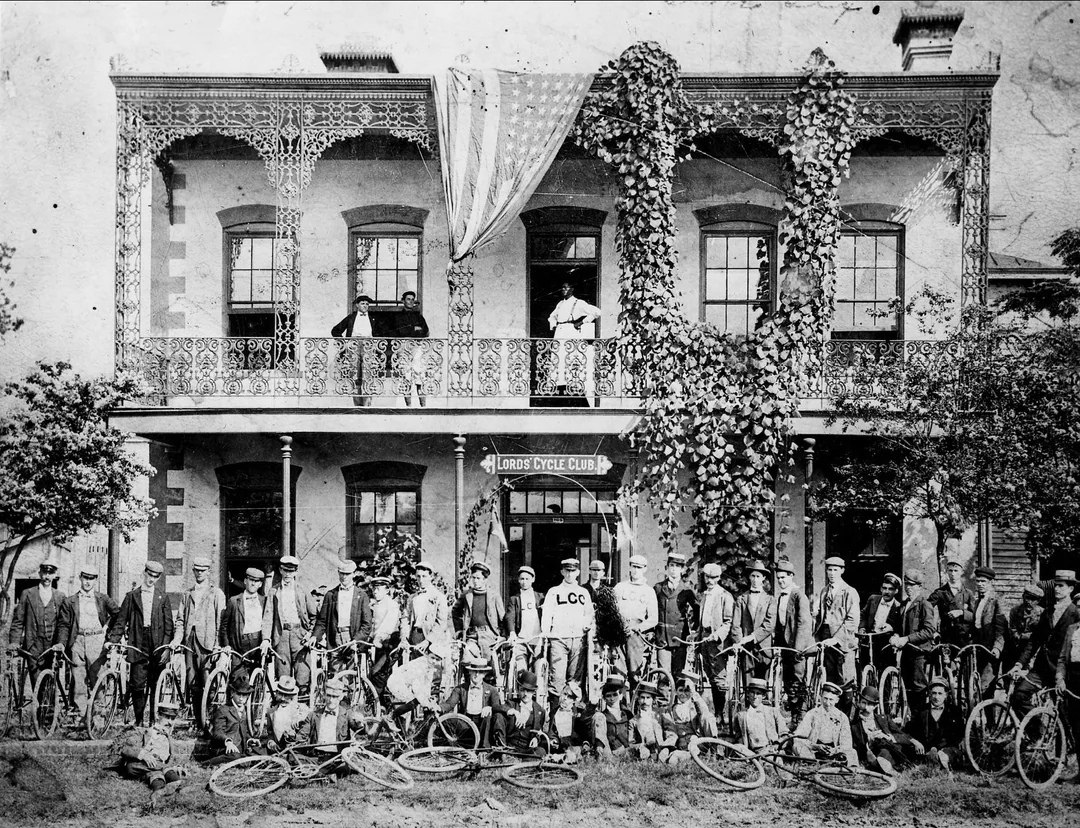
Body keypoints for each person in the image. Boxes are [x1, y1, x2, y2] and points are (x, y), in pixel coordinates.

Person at [108, 560, 174, 725]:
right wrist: (112, 641)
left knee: (155, 684)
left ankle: (153, 720)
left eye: (155, 577)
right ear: (144, 573)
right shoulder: (132, 596)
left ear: (158, 578)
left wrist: (166, 648)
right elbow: (120, 621)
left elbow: (168, 627)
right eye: (149, 575)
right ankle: (139, 720)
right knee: (137, 684)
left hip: (157, 644)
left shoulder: (163, 597)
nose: (151, 579)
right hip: (138, 642)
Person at [1009, 570, 1080, 720]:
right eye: (1055, 585)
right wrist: (1019, 664)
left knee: (1064, 716)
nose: (1056, 589)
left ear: (1071, 589)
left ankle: (1063, 742)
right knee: (1018, 696)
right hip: (1041, 669)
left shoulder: (1076, 614)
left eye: (1061, 586)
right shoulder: (1048, 611)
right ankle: (1036, 733)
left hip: (1062, 672)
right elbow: (1034, 641)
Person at [56, 564, 118, 715]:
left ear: (95, 580)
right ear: (80, 578)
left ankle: (98, 718)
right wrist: (62, 643)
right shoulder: (70, 601)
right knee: (78, 681)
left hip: (96, 641)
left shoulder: (102, 599)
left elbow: (118, 614)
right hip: (77, 641)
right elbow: (64, 624)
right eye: (85, 578)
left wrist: (108, 631)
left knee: (98, 678)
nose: (88, 582)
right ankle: (80, 718)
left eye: (91, 578)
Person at [176, 556, 224, 728]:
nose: (199, 573)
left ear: (208, 572)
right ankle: (199, 722)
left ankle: (211, 722)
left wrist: (218, 644)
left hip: (208, 644)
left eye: (203, 570)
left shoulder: (216, 594)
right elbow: (180, 620)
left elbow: (220, 621)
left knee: (209, 683)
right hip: (190, 642)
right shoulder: (187, 594)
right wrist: (177, 640)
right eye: (196, 570)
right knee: (193, 683)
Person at [541, 558, 594, 704]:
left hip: (578, 639)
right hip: (559, 639)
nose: (570, 574)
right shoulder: (554, 591)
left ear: (578, 572)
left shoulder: (583, 593)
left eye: (573, 571)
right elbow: (547, 615)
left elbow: (589, 614)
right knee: (557, 679)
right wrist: (545, 633)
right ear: (562, 572)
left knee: (575, 680)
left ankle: (572, 717)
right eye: (567, 571)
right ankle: (554, 718)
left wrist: (586, 625)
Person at [262, 555, 317, 695]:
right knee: (283, 678)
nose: (288, 574)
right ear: (280, 570)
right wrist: (266, 639)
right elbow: (268, 617)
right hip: (281, 636)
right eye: (285, 570)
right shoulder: (273, 591)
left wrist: (310, 633)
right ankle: (285, 710)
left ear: (296, 572)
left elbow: (314, 615)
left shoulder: (302, 590)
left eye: (291, 571)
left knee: (303, 675)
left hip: (300, 635)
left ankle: (302, 710)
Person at [8, 557, 67, 687]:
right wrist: (14, 642)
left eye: (50, 573)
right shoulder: (27, 594)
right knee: (36, 682)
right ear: (39, 573)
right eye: (44, 573)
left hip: (52, 646)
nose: (47, 577)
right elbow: (18, 621)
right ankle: (38, 706)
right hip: (33, 646)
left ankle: (48, 707)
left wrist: (61, 643)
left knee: (51, 683)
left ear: (55, 575)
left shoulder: (60, 596)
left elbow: (63, 624)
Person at [889, 569, 938, 714]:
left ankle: (921, 724)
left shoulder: (924, 604)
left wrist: (907, 639)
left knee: (919, 689)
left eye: (912, 585)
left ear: (919, 586)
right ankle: (913, 721)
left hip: (919, 653)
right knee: (907, 688)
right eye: (906, 584)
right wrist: (896, 635)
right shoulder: (904, 604)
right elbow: (900, 627)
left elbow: (929, 631)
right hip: (906, 653)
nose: (908, 588)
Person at [312, 559, 373, 671]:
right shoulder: (330, 595)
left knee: (352, 674)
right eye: (342, 573)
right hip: (335, 638)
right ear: (338, 573)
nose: (344, 577)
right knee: (335, 674)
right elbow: (322, 621)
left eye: (348, 574)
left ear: (354, 574)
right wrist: (315, 636)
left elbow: (367, 624)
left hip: (353, 638)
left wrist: (356, 640)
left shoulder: (362, 596)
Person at [812, 556, 860, 699]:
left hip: (844, 640)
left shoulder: (849, 592)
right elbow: (822, 616)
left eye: (835, 570)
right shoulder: (824, 591)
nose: (832, 573)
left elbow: (852, 621)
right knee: (831, 678)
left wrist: (836, 639)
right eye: (829, 570)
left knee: (844, 678)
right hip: (826, 636)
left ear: (842, 571)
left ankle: (847, 715)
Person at [115, 699, 185, 796]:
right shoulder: (143, 732)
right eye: (167, 717)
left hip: (149, 771)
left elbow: (171, 758)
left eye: (172, 719)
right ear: (158, 716)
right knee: (131, 767)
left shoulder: (169, 739)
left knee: (155, 775)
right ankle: (174, 779)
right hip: (141, 764)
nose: (170, 722)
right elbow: (125, 748)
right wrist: (143, 755)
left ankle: (161, 789)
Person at [546, 280, 601, 401]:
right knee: (557, 359)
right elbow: (551, 316)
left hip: (569, 330)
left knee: (569, 358)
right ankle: (558, 387)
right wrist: (553, 324)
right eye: (562, 288)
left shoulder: (578, 303)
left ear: (572, 289)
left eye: (566, 288)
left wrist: (582, 322)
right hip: (559, 331)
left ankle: (572, 387)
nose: (563, 290)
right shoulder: (560, 303)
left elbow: (596, 312)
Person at [772, 558, 813, 718]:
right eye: (779, 578)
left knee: (797, 679)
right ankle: (792, 712)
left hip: (797, 645)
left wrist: (798, 647)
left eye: (784, 577)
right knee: (788, 679)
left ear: (791, 577)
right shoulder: (781, 596)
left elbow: (803, 622)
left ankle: (800, 715)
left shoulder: (798, 595)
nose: (781, 581)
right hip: (785, 644)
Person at [849, 686, 916, 776]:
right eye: (863, 703)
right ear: (859, 703)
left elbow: (902, 735)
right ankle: (886, 768)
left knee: (884, 750)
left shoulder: (884, 719)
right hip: (869, 753)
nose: (865, 707)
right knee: (881, 752)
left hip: (889, 750)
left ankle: (879, 765)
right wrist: (869, 741)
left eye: (869, 704)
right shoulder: (854, 725)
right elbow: (855, 748)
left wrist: (888, 737)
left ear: (875, 706)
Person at [698, 562, 734, 726]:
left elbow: (728, 622)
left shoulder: (725, 596)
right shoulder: (704, 595)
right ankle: (715, 712)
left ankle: (720, 713)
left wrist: (717, 636)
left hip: (717, 642)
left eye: (713, 578)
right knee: (710, 676)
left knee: (719, 678)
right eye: (707, 577)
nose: (710, 581)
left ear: (718, 578)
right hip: (705, 639)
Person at [613, 554, 659, 685]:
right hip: (619, 631)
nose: (636, 570)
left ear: (644, 569)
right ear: (630, 568)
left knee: (635, 672)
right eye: (634, 567)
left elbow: (653, 619)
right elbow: (611, 610)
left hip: (636, 634)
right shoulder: (620, 587)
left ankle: (635, 703)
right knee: (618, 672)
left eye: (639, 567)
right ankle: (621, 704)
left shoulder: (648, 591)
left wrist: (638, 628)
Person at [331, 294, 382, 407]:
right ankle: (357, 404)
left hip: (368, 347)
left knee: (368, 374)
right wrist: (344, 342)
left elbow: (381, 333)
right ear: (357, 305)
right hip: (353, 347)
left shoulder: (373, 318)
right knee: (354, 375)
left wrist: (375, 343)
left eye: (367, 304)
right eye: (363, 303)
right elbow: (335, 330)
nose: (365, 306)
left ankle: (367, 403)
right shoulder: (351, 317)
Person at [790, 681, 857, 767]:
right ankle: (812, 763)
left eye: (831, 700)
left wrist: (835, 750)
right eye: (825, 698)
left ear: (837, 700)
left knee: (852, 752)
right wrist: (815, 746)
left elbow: (847, 743)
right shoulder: (812, 714)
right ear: (820, 697)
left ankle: (842, 765)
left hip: (833, 752)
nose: (827, 703)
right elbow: (798, 737)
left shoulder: (842, 717)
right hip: (814, 751)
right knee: (797, 746)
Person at [731, 560, 777, 682]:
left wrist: (752, 637)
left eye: (758, 576)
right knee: (748, 686)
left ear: (763, 578)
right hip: (746, 648)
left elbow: (769, 624)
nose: (755, 580)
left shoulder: (770, 600)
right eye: (753, 576)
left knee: (762, 685)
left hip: (764, 648)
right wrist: (739, 641)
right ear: (749, 577)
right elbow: (735, 624)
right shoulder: (741, 599)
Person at [653, 553, 697, 676]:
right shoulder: (658, 588)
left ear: (682, 569)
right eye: (671, 565)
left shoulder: (687, 589)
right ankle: (664, 695)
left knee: (678, 673)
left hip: (679, 637)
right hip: (662, 637)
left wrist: (694, 630)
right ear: (667, 567)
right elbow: (651, 610)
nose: (673, 569)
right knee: (663, 674)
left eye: (677, 566)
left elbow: (697, 609)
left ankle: (677, 696)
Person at [905, 677, 963, 771]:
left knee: (948, 754)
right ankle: (932, 761)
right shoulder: (921, 710)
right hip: (925, 749)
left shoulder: (954, 711)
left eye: (940, 693)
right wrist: (916, 742)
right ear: (929, 694)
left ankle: (938, 761)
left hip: (947, 750)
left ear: (946, 695)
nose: (936, 697)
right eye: (934, 693)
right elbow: (909, 731)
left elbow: (959, 734)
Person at [452, 561, 505, 661]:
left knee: (489, 662)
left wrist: (502, 636)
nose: (475, 581)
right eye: (473, 578)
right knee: (467, 659)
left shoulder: (494, 596)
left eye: (478, 578)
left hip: (489, 635)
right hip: (471, 635)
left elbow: (502, 617)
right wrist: (459, 629)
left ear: (485, 580)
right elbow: (455, 611)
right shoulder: (467, 595)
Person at [440, 657, 501, 744]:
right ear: (469, 672)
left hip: (482, 724)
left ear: (484, 674)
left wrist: (490, 708)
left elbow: (497, 707)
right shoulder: (461, 689)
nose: (476, 675)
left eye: (480, 672)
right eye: (474, 671)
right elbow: (450, 704)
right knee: (445, 720)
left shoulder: (492, 690)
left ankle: (483, 749)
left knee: (488, 716)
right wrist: (439, 708)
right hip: (465, 723)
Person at [219, 568, 267, 676]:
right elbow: (224, 626)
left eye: (257, 581)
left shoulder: (264, 601)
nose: (253, 583)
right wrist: (226, 645)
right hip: (238, 645)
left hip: (257, 644)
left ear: (260, 584)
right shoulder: (234, 601)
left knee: (257, 678)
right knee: (238, 679)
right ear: (245, 581)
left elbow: (269, 623)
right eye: (251, 580)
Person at [660, 671, 716, 763]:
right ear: (676, 692)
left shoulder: (695, 705)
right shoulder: (672, 709)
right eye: (680, 690)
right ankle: (684, 756)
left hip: (696, 742)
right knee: (672, 759)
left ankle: (713, 749)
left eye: (686, 691)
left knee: (708, 717)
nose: (683, 694)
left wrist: (693, 692)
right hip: (680, 743)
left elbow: (704, 711)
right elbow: (670, 730)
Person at [400, 561, 451, 658]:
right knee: (414, 668)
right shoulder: (412, 598)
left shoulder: (439, 597)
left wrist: (428, 641)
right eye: (418, 576)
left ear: (431, 577)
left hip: (432, 640)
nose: (421, 580)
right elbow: (405, 618)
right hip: (415, 636)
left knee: (430, 669)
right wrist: (404, 638)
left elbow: (441, 623)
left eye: (424, 576)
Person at [389, 290, 430, 407]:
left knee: (419, 375)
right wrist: (415, 329)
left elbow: (426, 331)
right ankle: (409, 406)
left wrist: (411, 329)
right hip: (403, 347)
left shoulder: (419, 316)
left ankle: (423, 406)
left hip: (417, 347)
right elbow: (401, 331)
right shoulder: (398, 316)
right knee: (406, 376)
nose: (411, 301)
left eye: (412, 299)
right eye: (408, 299)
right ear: (403, 301)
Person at [970, 566, 1007, 695]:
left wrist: (997, 647)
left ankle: (989, 714)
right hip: (979, 649)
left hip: (991, 650)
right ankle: (981, 714)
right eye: (978, 581)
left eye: (983, 581)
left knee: (986, 686)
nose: (980, 584)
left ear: (991, 583)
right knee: (977, 686)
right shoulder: (977, 601)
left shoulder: (997, 601)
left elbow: (1001, 629)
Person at [929, 555, 977, 651]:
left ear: (961, 572)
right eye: (950, 570)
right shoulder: (940, 592)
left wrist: (962, 612)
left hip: (964, 637)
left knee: (965, 663)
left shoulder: (968, 593)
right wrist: (932, 631)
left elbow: (974, 616)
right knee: (946, 663)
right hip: (947, 636)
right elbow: (926, 609)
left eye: (956, 571)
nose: (953, 574)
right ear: (946, 572)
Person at [858, 573, 903, 676]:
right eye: (884, 588)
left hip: (886, 644)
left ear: (896, 591)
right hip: (869, 640)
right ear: (881, 588)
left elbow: (900, 628)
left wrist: (892, 629)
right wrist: (862, 627)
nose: (886, 592)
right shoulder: (873, 599)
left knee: (884, 672)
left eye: (890, 589)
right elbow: (863, 615)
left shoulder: (899, 607)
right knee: (864, 670)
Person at [492, 669, 547, 754]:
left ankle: (524, 760)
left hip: (527, 748)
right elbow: (496, 708)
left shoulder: (540, 711)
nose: (525, 694)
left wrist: (536, 738)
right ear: (518, 690)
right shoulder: (512, 703)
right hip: (509, 746)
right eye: (522, 690)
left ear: (534, 692)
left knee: (541, 752)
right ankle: (502, 751)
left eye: (528, 691)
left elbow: (539, 731)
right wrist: (514, 712)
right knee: (498, 716)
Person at [504, 565, 545, 676]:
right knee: (521, 670)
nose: (524, 582)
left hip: (537, 640)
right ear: (518, 580)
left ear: (533, 579)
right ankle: (521, 692)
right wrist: (512, 633)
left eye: (527, 579)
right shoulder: (515, 599)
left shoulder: (540, 597)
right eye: (522, 579)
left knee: (538, 672)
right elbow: (509, 616)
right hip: (521, 639)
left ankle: (538, 692)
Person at [209, 675, 259, 763]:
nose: (241, 698)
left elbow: (244, 731)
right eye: (238, 694)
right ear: (232, 693)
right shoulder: (223, 710)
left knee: (261, 752)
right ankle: (208, 763)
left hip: (240, 747)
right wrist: (227, 741)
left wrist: (250, 740)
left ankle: (244, 760)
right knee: (235, 756)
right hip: (225, 748)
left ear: (248, 696)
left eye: (244, 695)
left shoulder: (247, 711)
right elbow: (217, 732)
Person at [734, 677, 788, 756]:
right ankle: (754, 759)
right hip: (750, 751)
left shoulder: (772, 711)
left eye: (758, 693)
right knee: (737, 747)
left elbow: (784, 733)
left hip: (769, 749)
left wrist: (777, 745)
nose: (755, 696)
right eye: (752, 692)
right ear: (748, 694)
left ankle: (763, 760)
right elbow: (738, 736)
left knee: (770, 761)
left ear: (763, 696)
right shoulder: (741, 715)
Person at [1055, 610, 1080, 768]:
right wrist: (1060, 678)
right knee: (1076, 724)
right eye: (1079, 606)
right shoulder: (1072, 629)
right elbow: (1063, 657)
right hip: (1073, 678)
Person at [368, 576, 401, 697]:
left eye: (378, 589)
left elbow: (388, 625)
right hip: (377, 646)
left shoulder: (392, 605)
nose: (375, 592)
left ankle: (377, 702)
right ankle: (381, 704)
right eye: (374, 589)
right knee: (376, 674)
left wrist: (379, 637)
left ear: (387, 590)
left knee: (378, 673)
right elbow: (372, 625)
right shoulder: (374, 605)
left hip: (389, 645)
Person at [592, 677, 634, 759]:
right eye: (608, 696)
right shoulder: (602, 716)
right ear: (604, 698)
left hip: (626, 749)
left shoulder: (627, 714)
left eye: (615, 695)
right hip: (610, 751)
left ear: (621, 696)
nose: (612, 699)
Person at [1004, 584, 1044, 669]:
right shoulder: (1015, 611)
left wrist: (1025, 636)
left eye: (1033, 599)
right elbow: (1013, 629)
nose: (1029, 602)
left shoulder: (1042, 614)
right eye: (1027, 598)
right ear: (1023, 597)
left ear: (1038, 601)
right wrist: (1020, 636)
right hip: (1015, 648)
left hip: (1032, 651)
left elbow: (1040, 636)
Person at [268, 676, 310, 750]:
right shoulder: (271, 711)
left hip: (297, 751)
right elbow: (270, 733)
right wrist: (271, 742)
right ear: (276, 693)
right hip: (278, 751)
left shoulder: (302, 710)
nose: (283, 698)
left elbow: (306, 734)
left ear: (293, 696)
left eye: (287, 695)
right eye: (281, 694)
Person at [631, 680, 665, 759]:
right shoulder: (633, 721)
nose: (645, 701)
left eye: (648, 698)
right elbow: (631, 743)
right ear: (638, 699)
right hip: (644, 750)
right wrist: (641, 747)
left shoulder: (661, 716)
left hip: (661, 749)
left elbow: (671, 734)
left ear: (653, 700)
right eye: (642, 698)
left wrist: (666, 747)